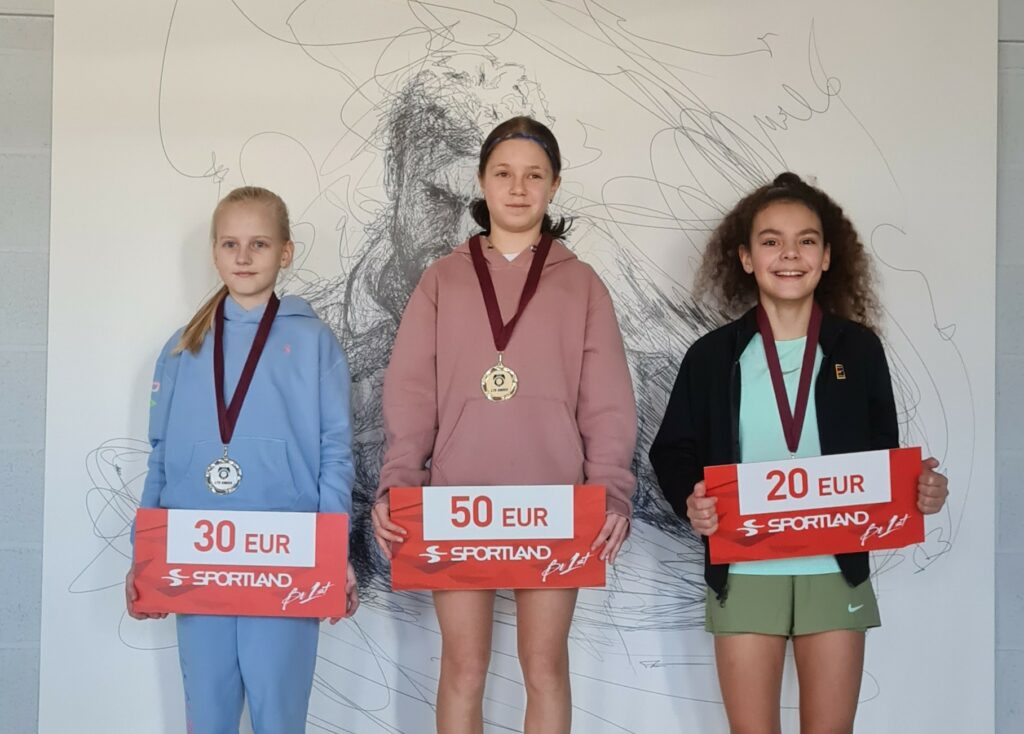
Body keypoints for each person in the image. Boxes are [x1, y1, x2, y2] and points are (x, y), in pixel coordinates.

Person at [649, 172, 949, 734]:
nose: (790, 254)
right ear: (745, 258)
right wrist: (692, 500)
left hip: (835, 569)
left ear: (827, 256)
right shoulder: (712, 356)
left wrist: (920, 489)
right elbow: (672, 451)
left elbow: (883, 460)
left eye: (806, 240)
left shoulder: (859, 350)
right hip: (743, 567)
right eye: (771, 241)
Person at [371, 116, 637, 734]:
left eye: (534, 176)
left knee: (544, 668)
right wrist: (397, 485)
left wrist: (612, 492)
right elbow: (410, 395)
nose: (518, 188)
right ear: (481, 181)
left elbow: (607, 402)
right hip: (457, 503)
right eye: (503, 174)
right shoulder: (442, 279)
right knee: (463, 669)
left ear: (555, 185)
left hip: (556, 505)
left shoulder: (581, 284)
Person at [124, 186, 359, 734]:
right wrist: (145, 556)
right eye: (230, 243)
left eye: (259, 243)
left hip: (287, 556)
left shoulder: (314, 342)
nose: (244, 256)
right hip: (198, 554)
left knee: (278, 715)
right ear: (214, 252)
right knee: (207, 715)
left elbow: (335, 453)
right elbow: (161, 457)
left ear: (285, 252)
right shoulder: (183, 346)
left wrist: (334, 552)